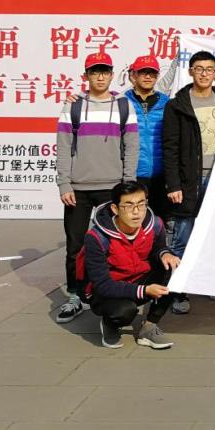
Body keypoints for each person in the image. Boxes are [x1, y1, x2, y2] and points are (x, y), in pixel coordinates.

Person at [55, 52, 139, 324]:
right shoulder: (73, 106)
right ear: (86, 75)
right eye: (94, 72)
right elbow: (63, 147)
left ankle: (109, 293)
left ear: (112, 75)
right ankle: (75, 296)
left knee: (112, 245)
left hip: (112, 187)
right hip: (77, 189)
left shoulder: (124, 105)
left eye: (104, 71)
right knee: (75, 246)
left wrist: (127, 184)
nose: (100, 77)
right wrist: (64, 183)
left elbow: (132, 146)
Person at [161, 50, 215, 315]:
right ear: (191, 71)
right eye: (199, 68)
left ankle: (213, 285)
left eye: (209, 69)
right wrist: (173, 184)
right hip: (188, 180)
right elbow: (169, 147)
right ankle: (177, 290)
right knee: (182, 235)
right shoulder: (177, 105)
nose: (204, 73)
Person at [83, 181, 179, 349]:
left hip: (139, 279)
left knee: (176, 271)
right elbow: (102, 285)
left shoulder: (155, 224)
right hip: (108, 291)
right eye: (129, 206)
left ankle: (149, 327)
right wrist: (144, 290)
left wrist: (165, 254)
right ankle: (109, 324)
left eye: (141, 204)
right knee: (124, 311)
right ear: (115, 209)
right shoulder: (96, 237)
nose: (136, 212)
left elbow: (158, 248)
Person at [125, 55, 169, 218]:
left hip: (161, 174)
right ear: (134, 75)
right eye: (143, 72)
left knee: (159, 222)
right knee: (133, 220)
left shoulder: (167, 102)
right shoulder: (121, 102)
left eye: (152, 73)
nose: (148, 76)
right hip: (132, 173)